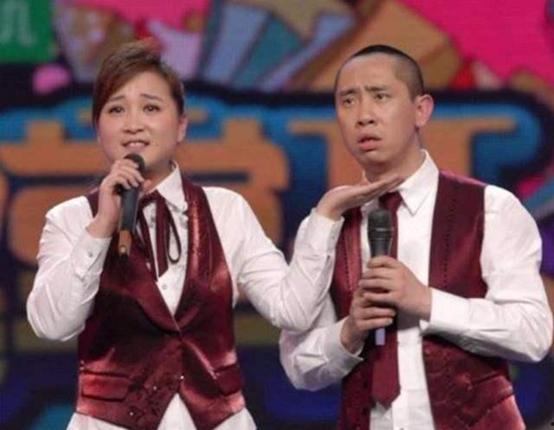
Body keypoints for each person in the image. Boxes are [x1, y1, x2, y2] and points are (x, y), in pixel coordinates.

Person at [26, 40, 399, 430]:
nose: (133, 123)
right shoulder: (71, 220)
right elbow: (53, 325)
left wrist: (325, 216)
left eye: (150, 108)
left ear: (181, 126)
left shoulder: (225, 210)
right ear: (98, 129)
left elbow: (293, 310)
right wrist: (102, 227)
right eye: (116, 109)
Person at [279, 44, 553, 430]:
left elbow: (533, 333)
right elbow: (298, 366)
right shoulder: (326, 226)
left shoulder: (490, 209)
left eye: (380, 96)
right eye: (348, 101)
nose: (363, 115)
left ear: (421, 110)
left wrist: (426, 301)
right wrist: (349, 331)